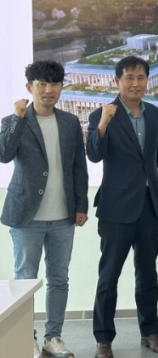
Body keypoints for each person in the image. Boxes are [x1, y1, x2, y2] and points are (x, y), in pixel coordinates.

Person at [0, 60, 88, 358]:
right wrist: (17, 118)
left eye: (54, 84)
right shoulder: (15, 120)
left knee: (59, 278)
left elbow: (79, 166)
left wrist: (81, 204)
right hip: (27, 216)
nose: (48, 90)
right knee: (25, 280)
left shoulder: (70, 122)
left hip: (63, 216)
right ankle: (26, 338)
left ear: (61, 87)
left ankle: (54, 337)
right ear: (30, 87)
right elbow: (4, 154)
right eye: (42, 84)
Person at [87, 56, 158, 358]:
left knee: (148, 274)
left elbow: (156, 156)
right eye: (129, 78)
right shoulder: (102, 113)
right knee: (108, 277)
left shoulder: (155, 114)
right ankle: (103, 339)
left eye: (140, 77)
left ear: (147, 80)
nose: (135, 83)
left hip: (148, 205)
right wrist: (104, 123)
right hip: (116, 208)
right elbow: (94, 154)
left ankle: (150, 332)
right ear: (117, 81)